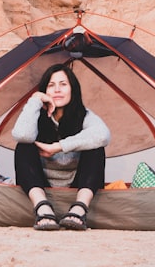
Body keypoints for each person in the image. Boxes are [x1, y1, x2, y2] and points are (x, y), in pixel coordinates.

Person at [12, 61, 110, 231]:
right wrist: (36, 100)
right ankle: (43, 209)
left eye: (63, 84)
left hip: (77, 183)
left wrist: (58, 147)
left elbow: (103, 135)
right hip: (41, 184)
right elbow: (22, 134)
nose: (57, 90)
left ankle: (79, 210)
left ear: (72, 89)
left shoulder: (84, 115)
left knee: (95, 148)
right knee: (24, 147)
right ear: (45, 90)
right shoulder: (36, 116)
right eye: (51, 85)